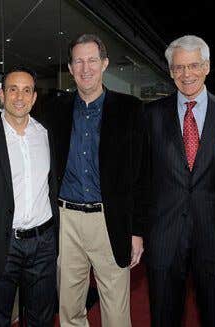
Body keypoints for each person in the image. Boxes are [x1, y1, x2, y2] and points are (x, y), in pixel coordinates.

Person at [39, 34, 149, 326]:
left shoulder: (131, 109)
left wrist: (136, 230)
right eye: (78, 61)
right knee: (69, 308)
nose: (85, 68)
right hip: (67, 221)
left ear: (104, 64)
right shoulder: (54, 109)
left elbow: (141, 174)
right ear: (71, 68)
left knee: (115, 309)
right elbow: (20, 125)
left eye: (91, 60)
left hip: (109, 220)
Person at [144, 35, 215, 327]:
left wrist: (214, 208)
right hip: (165, 235)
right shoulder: (150, 116)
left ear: (207, 67)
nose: (186, 74)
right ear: (171, 71)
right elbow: (144, 176)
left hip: (214, 234)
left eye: (193, 66)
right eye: (178, 68)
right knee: (164, 317)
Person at [0, 67, 59, 326]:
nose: (19, 96)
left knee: (40, 318)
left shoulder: (46, 135)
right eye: (13, 89)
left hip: (43, 243)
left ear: (33, 98)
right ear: (1, 95)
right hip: (2, 244)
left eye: (26, 90)